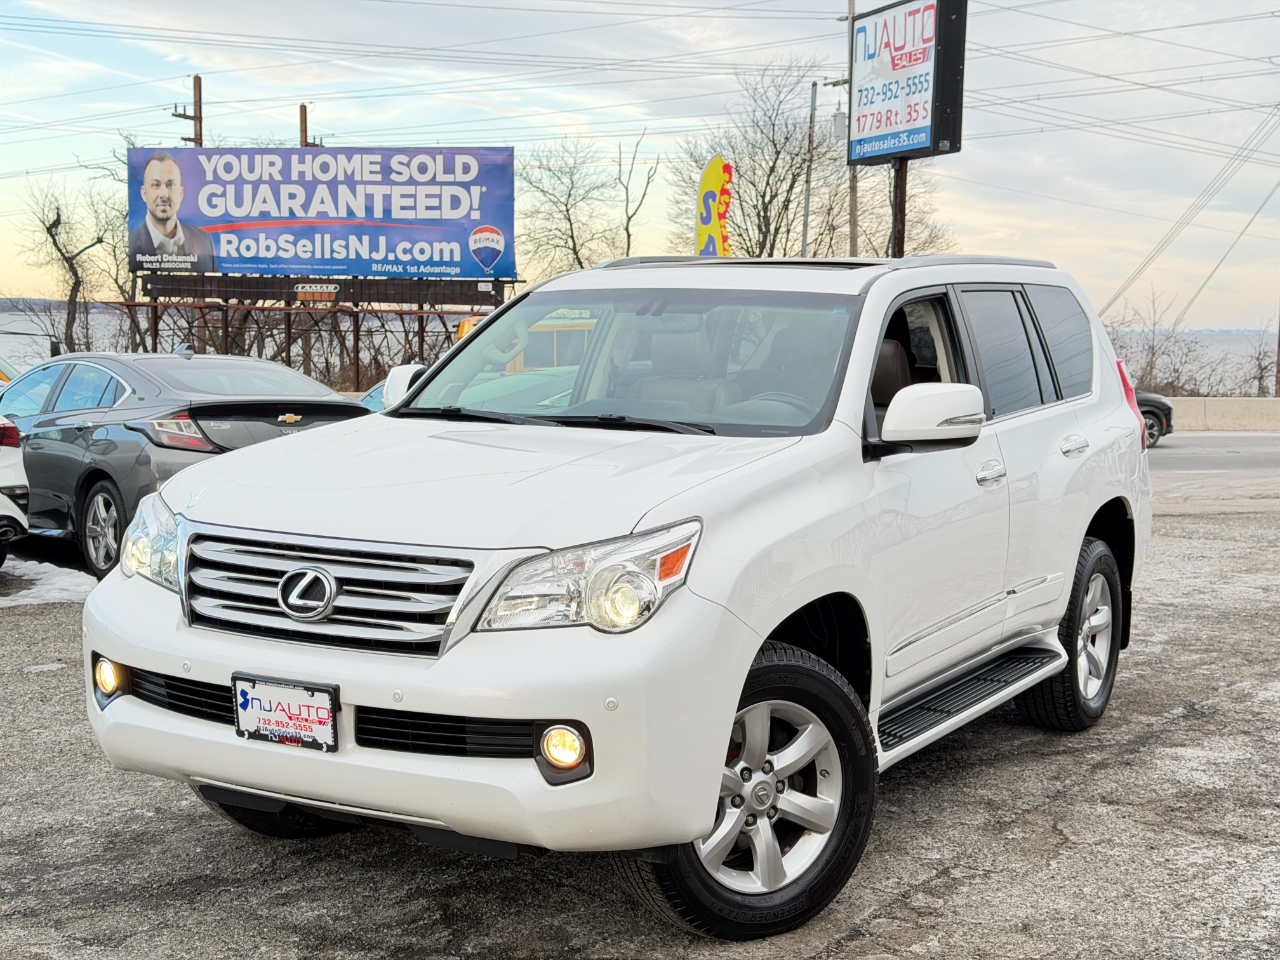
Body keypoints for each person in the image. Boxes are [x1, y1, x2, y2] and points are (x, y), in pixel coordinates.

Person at [128, 151, 218, 273]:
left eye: (170, 185)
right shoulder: (133, 240)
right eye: (155, 185)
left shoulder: (204, 241)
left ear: (181, 193)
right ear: (144, 193)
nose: (164, 194)